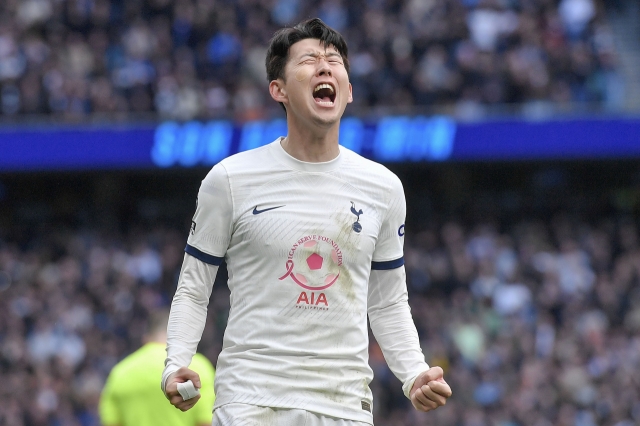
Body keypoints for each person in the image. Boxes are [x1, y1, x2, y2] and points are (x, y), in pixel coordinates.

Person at [161, 17, 452, 425]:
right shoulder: (229, 180)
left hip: (344, 405)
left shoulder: (383, 188)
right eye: (309, 60)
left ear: (348, 90)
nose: (324, 67)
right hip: (252, 403)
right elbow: (193, 288)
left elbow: (387, 301)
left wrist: (414, 373)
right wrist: (175, 364)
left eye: (334, 60)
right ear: (278, 89)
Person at [99, 309, 215, 426]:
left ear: (146, 338)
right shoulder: (198, 367)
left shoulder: (120, 372)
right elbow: (206, 421)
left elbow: (110, 422)